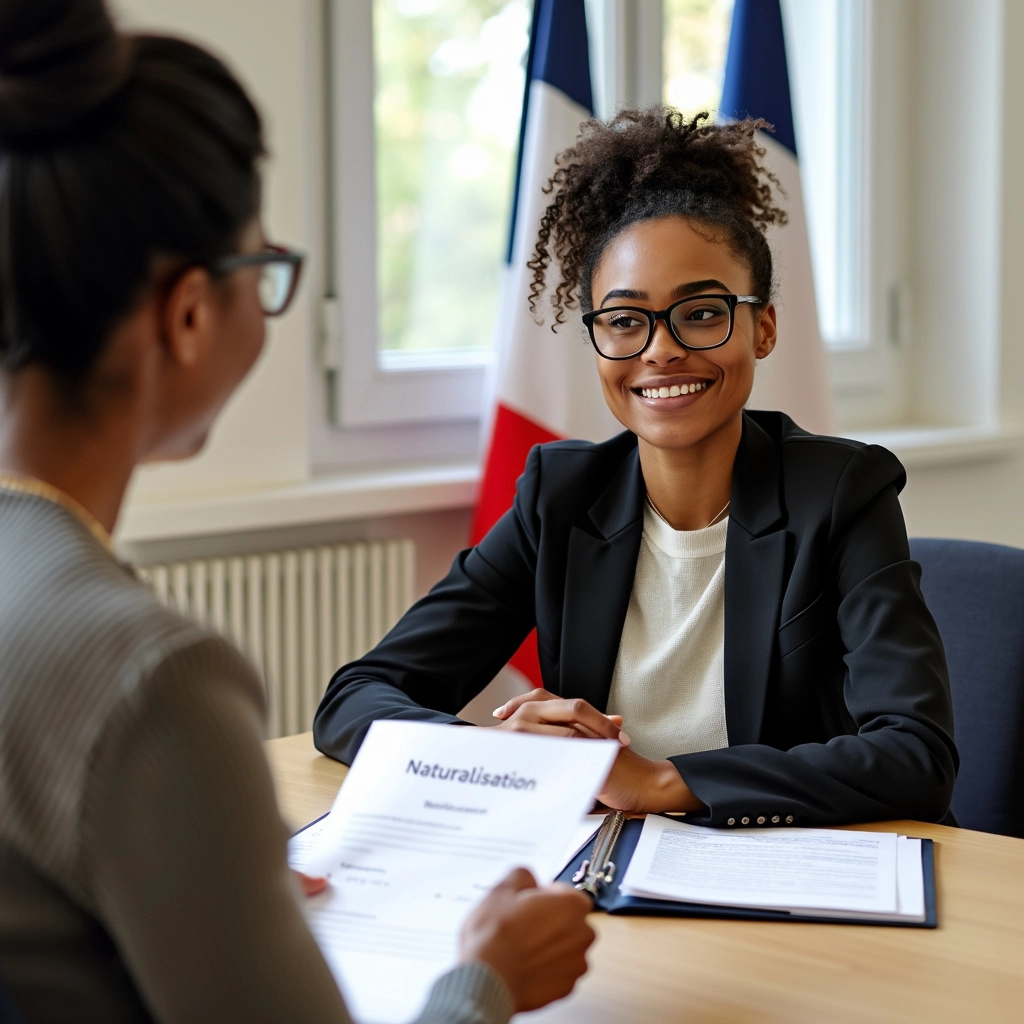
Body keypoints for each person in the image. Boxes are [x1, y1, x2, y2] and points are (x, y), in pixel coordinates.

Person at [0, 1, 596, 1021]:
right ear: (187, 312)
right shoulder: (149, 675)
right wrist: (487, 976)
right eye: (263, 269)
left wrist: (213, 859)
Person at [314, 108, 958, 829]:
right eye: (624, 321)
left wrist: (664, 780)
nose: (659, 350)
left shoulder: (841, 496)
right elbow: (356, 698)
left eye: (702, 313)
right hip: (608, 875)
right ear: (596, 341)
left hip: (785, 877)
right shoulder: (560, 499)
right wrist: (499, 754)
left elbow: (915, 757)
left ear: (763, 327)